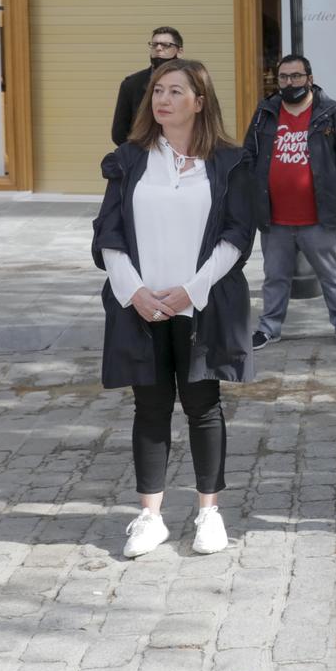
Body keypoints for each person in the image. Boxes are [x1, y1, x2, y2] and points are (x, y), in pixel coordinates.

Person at [95, 58, 255, 559]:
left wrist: (192, 289)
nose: (162, 100)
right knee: (150, 408)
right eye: (157, 91)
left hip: (200, 305)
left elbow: (237, 235)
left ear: (199, 101)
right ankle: (150, 516)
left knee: (204, 408)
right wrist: (135, 292)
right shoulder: (130, 158)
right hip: (140, 306)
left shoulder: (229, 161)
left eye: (175, 91)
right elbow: (108, 233)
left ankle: (209, 512)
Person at [243, 54, 336, 350]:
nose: (289, 83)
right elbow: (249, 153)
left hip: (319, 216)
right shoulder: (265, 112)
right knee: (274, 277)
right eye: (283, 77)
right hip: (275, 217)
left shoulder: (331, 112)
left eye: (296, 76)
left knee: (332, 274)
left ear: (309, 78)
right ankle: (270, 327)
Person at [111, 27, 183, 147]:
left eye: (165, 45)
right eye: (154, 45)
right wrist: (137, 155)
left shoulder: (192, 82)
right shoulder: (132, 84)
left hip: (182, 155)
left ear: (179, 51)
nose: (158, 48)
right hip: (143, 154)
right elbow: (119, 133)